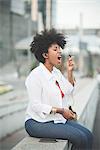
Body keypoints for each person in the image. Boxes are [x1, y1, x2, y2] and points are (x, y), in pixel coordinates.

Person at [25, 29, 93, 150]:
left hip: (55, 119)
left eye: (59, 49)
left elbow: (69, 90)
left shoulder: (56, 73)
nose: (60, 52)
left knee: (88, 135)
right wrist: (61, 111)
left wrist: (70, 72)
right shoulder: (35, 76)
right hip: (37, 122)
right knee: (80, 138)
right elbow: (35, 105)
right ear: (45, 55)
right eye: (55, 49)